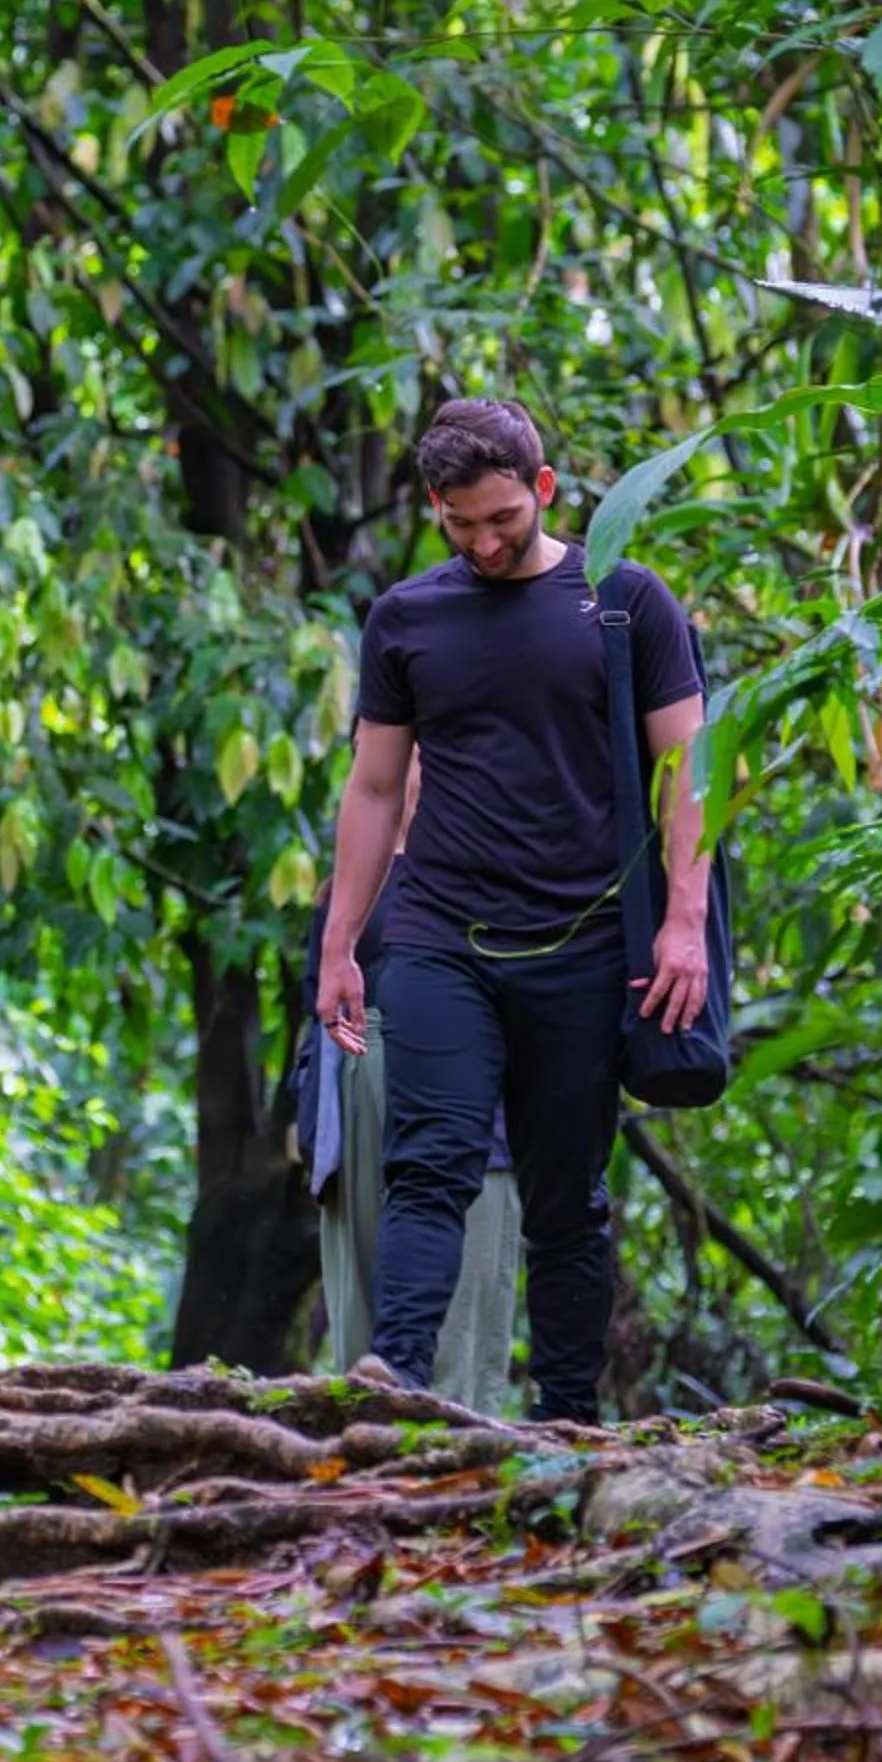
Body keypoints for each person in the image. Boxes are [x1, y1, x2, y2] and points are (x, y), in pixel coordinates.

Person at [317, 398, 710, 1424]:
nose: (485, 544)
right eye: (461, 525)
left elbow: (692, 772)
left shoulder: (626, 600)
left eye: (502, 519)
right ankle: (399, 1379)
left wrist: (684, 923)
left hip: (585, 942)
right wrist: (341, 943)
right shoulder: (407, 618)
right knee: (429, 1159)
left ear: (543, 488)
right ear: (434, 507)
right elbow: (374, 787)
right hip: (440, 931)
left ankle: (568, 1420)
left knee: (566, 1198)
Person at [293, 748, 521, 1414]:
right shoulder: (341, 890)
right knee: (364, 1326)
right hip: (354, 1098)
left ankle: (457, 1447)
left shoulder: (488, 865)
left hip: (464, 1106)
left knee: (460, 1317)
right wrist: (309, 1119)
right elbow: (314, 1006)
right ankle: (362, 1452)